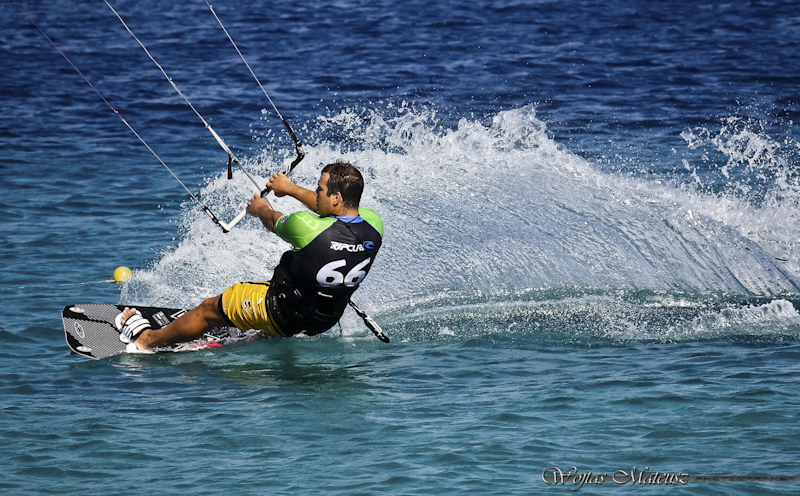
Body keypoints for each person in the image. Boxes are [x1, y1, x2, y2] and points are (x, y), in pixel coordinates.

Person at [117, 161, 384, 351]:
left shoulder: (305, 226)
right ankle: (258, 338)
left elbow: (271, 217)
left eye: (320, 190)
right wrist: (289, 188)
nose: (314, 194)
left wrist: (259, 207)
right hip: (323, 320)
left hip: (280, 311)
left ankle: (147, 341)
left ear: (336, 197)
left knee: (210, 308)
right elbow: (330, 212)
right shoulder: (374, 226)